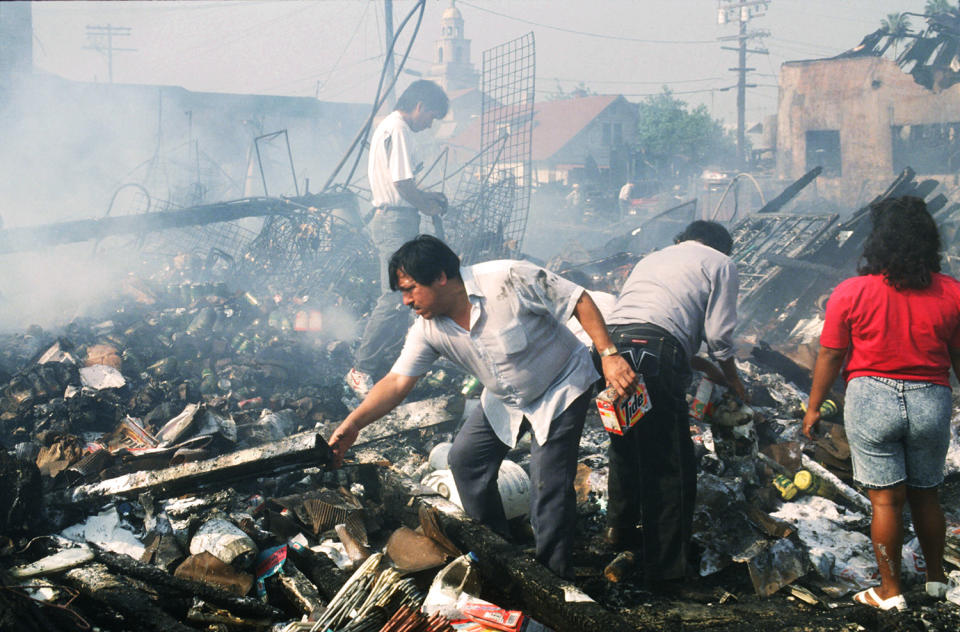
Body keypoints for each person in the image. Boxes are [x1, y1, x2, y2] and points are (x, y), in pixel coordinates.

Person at [328, 235, 636, 578]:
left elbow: (578, 299)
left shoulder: (507, 277)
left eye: (410, 288)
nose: (406, 301)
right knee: (466, 461)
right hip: (505, 397)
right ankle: (497, 549)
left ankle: (552, 577)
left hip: (561, 385)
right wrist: (354, 423)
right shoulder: (427, 328)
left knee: (547, 484)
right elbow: (398, 382)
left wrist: (609, 355)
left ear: (441, 276)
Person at [803, 196, 958, 611]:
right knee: (927, 495)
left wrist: (814, 406)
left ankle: (890, 593)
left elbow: (831, 355)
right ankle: (936, 582)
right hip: (931, 399)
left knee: (886, 502)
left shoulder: (851, 292)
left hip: (871, 398)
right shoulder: (952, 293)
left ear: (878, 241)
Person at [603, 220, 746, 586]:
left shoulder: (654, 258)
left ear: (684, 239)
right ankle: (667, 569)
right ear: (720, 247)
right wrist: (732, 376)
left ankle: (618, 530)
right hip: (655, 351)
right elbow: (719, 336)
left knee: (626, 438)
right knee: (670, 463)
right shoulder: (720, 262)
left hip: (611, 346)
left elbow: (647, 315)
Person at [345, 80, 450, 400]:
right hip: (394, 221)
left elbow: (402, 184)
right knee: (395, 297)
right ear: (419, 106)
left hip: (395, 219)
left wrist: (426, 197)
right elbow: (403, 183)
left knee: (410, 296)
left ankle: (393, 361)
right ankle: (360, 369)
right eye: (431, 116)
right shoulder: (400, 128)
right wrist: (426, 203)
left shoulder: (387, 128)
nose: (429, 123)